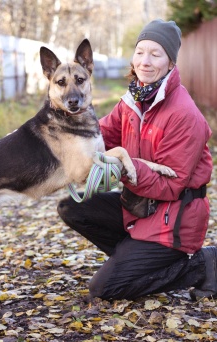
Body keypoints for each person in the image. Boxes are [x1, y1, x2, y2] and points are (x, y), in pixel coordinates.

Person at [57, 19, 216, 301]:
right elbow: (101, 133)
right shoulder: (134, 98)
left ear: (170, 63)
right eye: (140, 52)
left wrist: (123, 166)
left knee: (105, 289)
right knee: (72, 207)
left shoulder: (184, 115)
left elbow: (171, 186)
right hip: (139, 209)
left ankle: (201, 265)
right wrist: (56, 138)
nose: (145, 61)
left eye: (156, 54)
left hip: (173, 222)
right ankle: (134, 262)